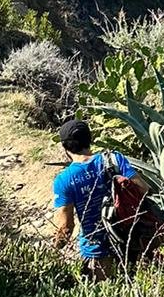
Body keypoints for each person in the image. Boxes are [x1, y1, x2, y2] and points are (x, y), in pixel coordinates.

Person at [52, 119, 157, 278]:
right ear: (90, 140)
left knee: (107, 296)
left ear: (65, 147)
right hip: (130, 243)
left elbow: (66, 227)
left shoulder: (64, 179)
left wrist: (54, 251)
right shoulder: (114, 159)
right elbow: (144, 189)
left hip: (97, 252)